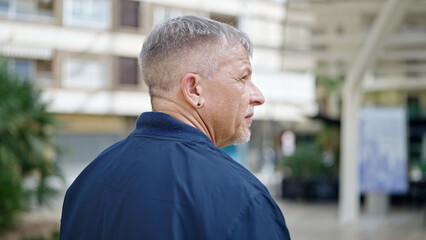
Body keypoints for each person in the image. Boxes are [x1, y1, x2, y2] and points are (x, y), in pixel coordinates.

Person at [60, 15, 291, 240]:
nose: (258, 96)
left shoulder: (88, 180)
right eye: (242, 78)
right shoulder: (242, 196)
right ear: (193, 90)